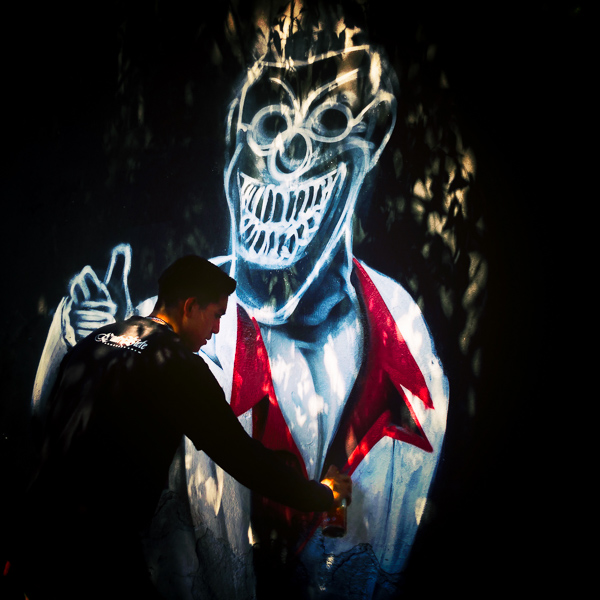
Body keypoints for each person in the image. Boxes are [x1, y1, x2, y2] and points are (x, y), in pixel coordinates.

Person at [12, 255, 351, 600]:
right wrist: (320, 495)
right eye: (216, 315)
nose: (218, 329)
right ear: (190, 307)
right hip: (89, 556)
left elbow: (47, 424)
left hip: (34, 537)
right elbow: (242, 457)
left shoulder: (97, 342)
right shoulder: (176, 366)